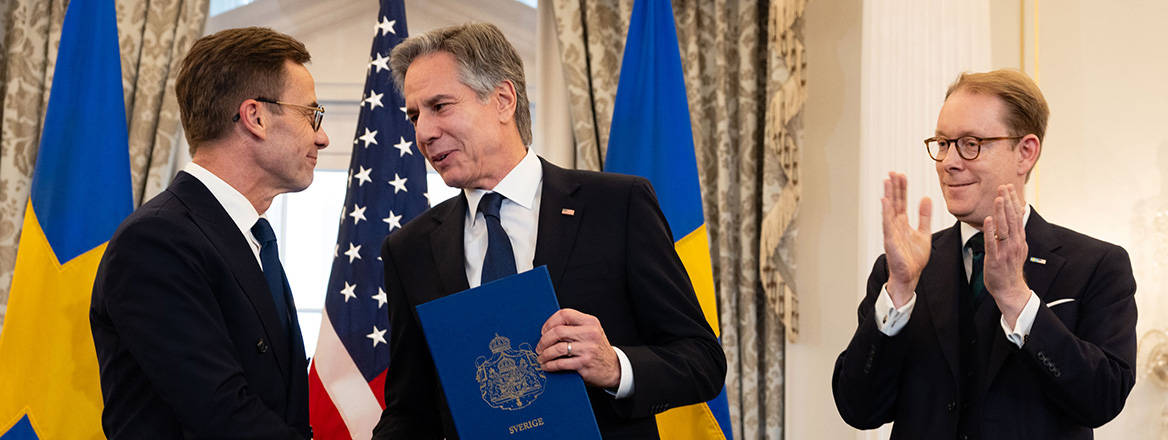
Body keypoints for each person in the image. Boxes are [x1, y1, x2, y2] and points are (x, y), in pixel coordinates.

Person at [370, 23, 726, 439]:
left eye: (440, 106)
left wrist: (615, 367)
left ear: (503, 100)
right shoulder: (408, 248)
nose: (423, 133)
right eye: (415, 115)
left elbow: (702, 360)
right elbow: (409, 410)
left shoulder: (617, 206)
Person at [832, 69, 1137, 439]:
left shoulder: (1097, 265)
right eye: (943, 143)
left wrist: (1017, 299)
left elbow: (1101, 399)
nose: (949, 162)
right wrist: (897, 294)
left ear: (1025, 152)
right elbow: (858, 408)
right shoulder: (901, 271)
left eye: (971, 143)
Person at [90, 27, 329, 439]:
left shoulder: (250, 237)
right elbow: (223, 417)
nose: (322, 137)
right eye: (311, 115)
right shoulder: (156, 242)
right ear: (255, 117)